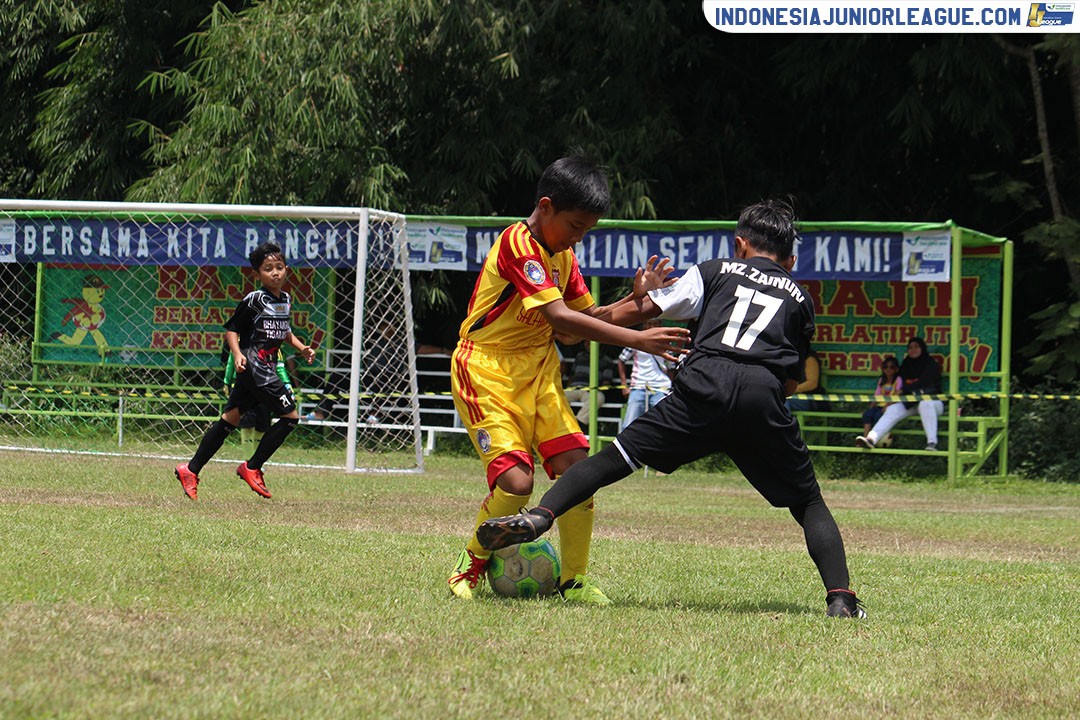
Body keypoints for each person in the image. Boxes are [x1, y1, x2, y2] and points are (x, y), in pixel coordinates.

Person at [474, 199, 867, 618]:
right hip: (761, 394)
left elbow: (650, 308)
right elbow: (790, 380)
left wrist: (636, 298)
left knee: (614, 459)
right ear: (790, 260)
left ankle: (539, 515)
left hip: (703, 384)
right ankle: (841, 599)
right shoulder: (801, 299)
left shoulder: (715, 270)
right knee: (808, 503)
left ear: (740, 245)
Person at [447, 155, 689, 603]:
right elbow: (562, 317)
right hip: (486, 368)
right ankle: (470, 565)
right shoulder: (518, 245)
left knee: (578, 471)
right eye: (576, 225)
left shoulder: (563, 254)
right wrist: (637, 340)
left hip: (538, 366)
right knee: (517, 484)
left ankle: (573, 579)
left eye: (586, 229)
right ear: (545, 206)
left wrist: (639, 303)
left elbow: (578, 326)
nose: (580, 236)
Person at [175, 241, 316, 500]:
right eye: (268, 269)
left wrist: (301, 347)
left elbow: (283, 331)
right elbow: (232, 330)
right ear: (258, 274)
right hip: (256, 365)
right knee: (290, 417)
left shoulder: (284, 299)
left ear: (286, 270)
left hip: (265, 366)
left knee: (231, 419)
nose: (275, 273)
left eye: (279, 267)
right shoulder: (254, 299)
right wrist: (238, 354)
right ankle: (252, 467)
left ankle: (190, 469)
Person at [856, 337, 943, 451]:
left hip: (933, 403)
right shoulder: (906, 364)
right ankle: (871, 439)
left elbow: (924, 382)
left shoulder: (930, 364)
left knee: (924, 404)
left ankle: (932, 443)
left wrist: (906, 389)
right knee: (892, 409)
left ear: (922, 348)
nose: (913, 350)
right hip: (910, 402)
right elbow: (902, 384)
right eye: (910, 348)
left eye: (916, 347)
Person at [617, 318, 673, 429]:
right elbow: (621, 360)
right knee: (628, 425)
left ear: (660, 325)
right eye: (649, 324)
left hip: (660, 387)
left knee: (662, 424)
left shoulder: (666, 341)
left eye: (655, 324)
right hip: (639, 385)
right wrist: (624, 385)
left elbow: (672, 366)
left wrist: (671, 386)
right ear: (644, 325)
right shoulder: (636, 340)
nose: (652, 327)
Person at [860, 355, 903, 444]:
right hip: (880, 405)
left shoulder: (898, 380)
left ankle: (872, 440)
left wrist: (888, 405)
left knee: (878, 416)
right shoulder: (882, 380)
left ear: (896, 369)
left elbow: (898, 394)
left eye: (891, 367)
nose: (888, 369)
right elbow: (877, 395)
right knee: (867, 415)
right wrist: (870, 408)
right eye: (885, 367)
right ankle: (865, 437)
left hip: (892, 406)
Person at [785, 347, 827, 413]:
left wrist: (789, 390)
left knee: (782, 402)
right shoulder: (785, 358)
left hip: (810, 399)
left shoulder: (809, 358)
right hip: (790, 397)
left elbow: (812, 384)